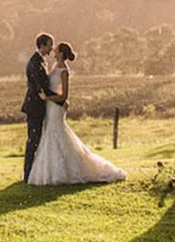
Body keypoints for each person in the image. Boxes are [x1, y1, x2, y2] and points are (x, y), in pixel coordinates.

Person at [26, 42, 127, 185]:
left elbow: (64, 96)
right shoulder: (54, 67)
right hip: (50, 107)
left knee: (57, 133)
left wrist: (47, 98)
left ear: (60, 53)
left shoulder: (64, 71)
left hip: (56, 107)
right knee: (50, 133)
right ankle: (49, 171)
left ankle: (64, 171)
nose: (53, 50)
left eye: (56, 49)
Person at [21, 32, 56, 182]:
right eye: (50, 45)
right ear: (42, 45)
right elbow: (39, 86)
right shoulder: (35, 62)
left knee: (36, 138)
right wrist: (60, 99)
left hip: (38, 105)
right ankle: (28, 174)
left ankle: (32, 172)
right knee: (33, 139)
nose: (52, 48)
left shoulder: (40, 60)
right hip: (34, 106)